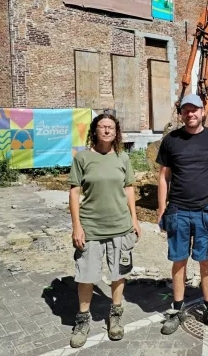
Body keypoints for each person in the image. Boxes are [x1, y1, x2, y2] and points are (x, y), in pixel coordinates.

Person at [156, 93, 208, 335]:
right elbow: (163, 177)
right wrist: (161, 208)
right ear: (181, 113)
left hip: (205, 212)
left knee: (206, 261)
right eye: (186, 110)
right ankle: (178, 310)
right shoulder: (171, 140)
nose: (190, 114)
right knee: (179, 262)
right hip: (178, 210)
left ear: (202, 112)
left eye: (194, 110)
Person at [67, 113, 141, 348]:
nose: (107, 131)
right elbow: (74, 192)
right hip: (91, 228)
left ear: (116, 131)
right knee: (86, 276)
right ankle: (82, 320)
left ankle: (116, 315)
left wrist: (135, 219)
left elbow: (129, 188)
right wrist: (77, 226)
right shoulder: (83, 158)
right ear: (95, 130)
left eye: (111, 127)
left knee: (118, 273)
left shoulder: (122, 157)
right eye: (102, 127)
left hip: (120, 226)